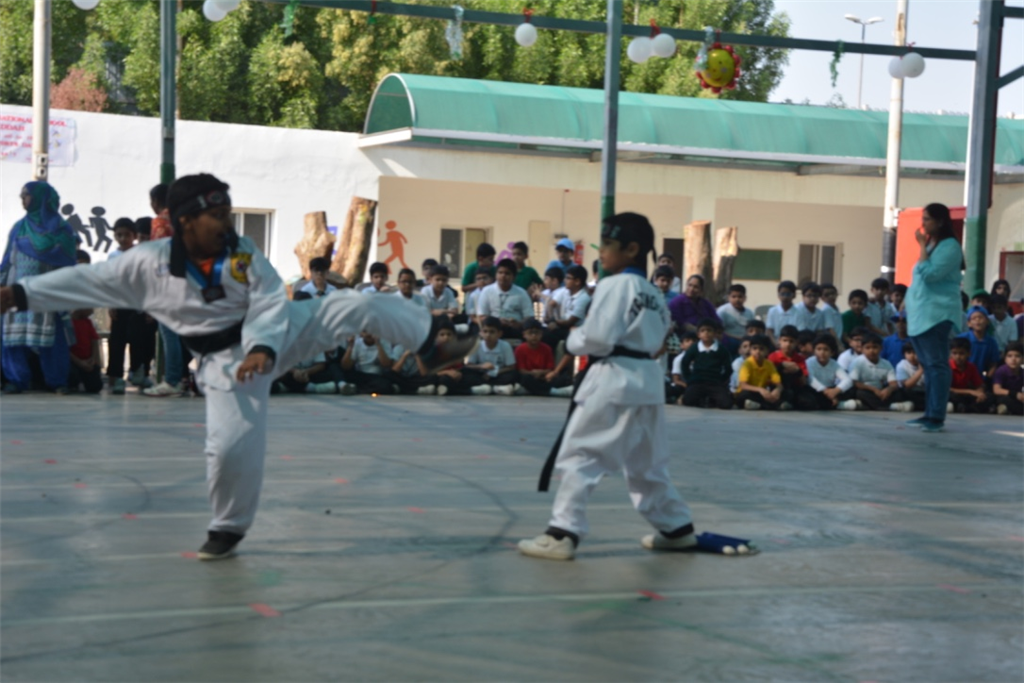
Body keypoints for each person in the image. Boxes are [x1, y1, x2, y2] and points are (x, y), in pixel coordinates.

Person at [0, 173, 475, 560]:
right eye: (216, 215)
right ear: (185, 221)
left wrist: (263, 346)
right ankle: (228, 526)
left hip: (276, 332)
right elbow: (85, 280)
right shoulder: (147, 264)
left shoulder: (241, 251)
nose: (226, 222)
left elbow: (268, 297)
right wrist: (19, 294)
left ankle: (431, 343)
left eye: (227, 212)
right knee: (229, 447)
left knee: (353, 305)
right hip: (226, 361)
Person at [518, 212, 695, 561]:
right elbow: (660, 336)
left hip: (614, 377)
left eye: (608, 244)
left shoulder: (615, 285)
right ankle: (676, 528)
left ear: (632, 249)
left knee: (582, 453)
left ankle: (562, 532)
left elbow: (597, 337)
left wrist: (573, 340)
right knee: (646, 464)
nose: (601, 252)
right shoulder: (654, 293)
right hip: (647, 381)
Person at [0, 181, 77, 394]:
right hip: (15, 292)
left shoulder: (62, 230)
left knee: (54, 337)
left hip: (48, 292)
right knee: (12, 336)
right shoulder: (18, 228)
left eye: (26, 195)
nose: (22, 199)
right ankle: (16, 380)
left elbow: (69, 264)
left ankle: (58, 381)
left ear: (41, 198)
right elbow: (7, 260)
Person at [907, 205, 969, 430]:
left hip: (936, 314)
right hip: (922, 313)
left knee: (937, 364)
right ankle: (929, 413)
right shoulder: (933, 244)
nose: (923, 223)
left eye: (928, 219)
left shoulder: (949, 246)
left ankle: (936, 416)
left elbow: (930, 275)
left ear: (941, 221)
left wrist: (921, 246)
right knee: (928, 365)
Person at [146, 183, 189, 398]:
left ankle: (172, 380)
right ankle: (183, 377)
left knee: (168, 333)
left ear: (156, 201)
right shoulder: (185, 220)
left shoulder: (160, 222)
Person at [677, 318, 734, 410]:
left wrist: (721, 380)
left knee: (726, 404)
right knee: (688, 401)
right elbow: (685, 363)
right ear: (698, 334)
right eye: (703, 330)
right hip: (697, 382)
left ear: (715, 333)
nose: (706, 333)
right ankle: (702, 399)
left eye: (709, 330)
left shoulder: (721, 350)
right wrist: (689, 379)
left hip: (714, 383)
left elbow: (728, 368)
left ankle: (711, 399)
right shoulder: (694, 348)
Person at [850, 333, 912, 412]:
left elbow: (893, 383)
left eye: (875, 347)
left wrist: (888, 390)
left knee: (900, 392)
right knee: (859, 393)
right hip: (866, 390)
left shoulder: (886, 364)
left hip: (881, 391)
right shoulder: (857, 362)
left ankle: (869, 405)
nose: (871, 351)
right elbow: (855, 383)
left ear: (881, 348)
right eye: (867, 348)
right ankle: (890, 407)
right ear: (862, 349)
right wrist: (874, 390)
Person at [475, 258, 533, 338]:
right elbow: (481, 316)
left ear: (514, 277)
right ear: (496, 275)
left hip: (515, 330)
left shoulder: (522, 293)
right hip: (492, 330)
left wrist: (519, 323)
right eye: (500, 272)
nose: (503, 276)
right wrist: (497, 321)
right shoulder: (487, 291)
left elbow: (529, 317)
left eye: (507, 273)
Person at [515, 318, 573, 397]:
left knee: (563, 378)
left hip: (543, 377)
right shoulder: (520, 349)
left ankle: (534, 390)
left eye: (537, 333)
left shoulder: (547, 348)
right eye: (530, 333)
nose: (534, 336)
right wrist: (533, 373)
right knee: (524, 378)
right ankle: (552, 391)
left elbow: (550, 369)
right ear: (524, 334)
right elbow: (521, 370)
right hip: (529, 376)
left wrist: (541, 373)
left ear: (541, 334)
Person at [464, 316, 518, 395]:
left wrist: (494, 372)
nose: (488, 335)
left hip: (499, 374)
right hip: (481, 374)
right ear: (481, 332)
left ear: (499, 334)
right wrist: (481, 366)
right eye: (485, 331)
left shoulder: (505, 346)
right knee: (466, 373)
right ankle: (494, 388)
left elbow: (511, 367)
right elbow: (469, 365)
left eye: (492, 332)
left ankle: (490, 388)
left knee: (513, 374)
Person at [804, 333, 856, 410]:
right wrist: (825, 391)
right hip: (817, 390)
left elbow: (847, 380)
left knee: (851, 390)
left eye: (826, 349)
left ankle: (830, 403)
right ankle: (838, 405)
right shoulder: (809, 362)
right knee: (806, 399)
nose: (822, 352)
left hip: (831, 390)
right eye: (819, 349)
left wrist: (836, 391)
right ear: (814, 351)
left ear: (832, 352)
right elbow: (810, 379)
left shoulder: (834, 364)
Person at [544, 264, 590, 347]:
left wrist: (554, 322)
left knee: (547, 336)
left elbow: (569, 322)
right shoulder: (565, 290)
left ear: (577, 281)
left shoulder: (584, 298)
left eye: (568, 278)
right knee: (542, 332)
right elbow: (551, 304)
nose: (565, 280)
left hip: (575, 330)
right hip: (562, 326)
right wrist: (551, 319)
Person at [767, 325, 811, 411]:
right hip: (776, 387)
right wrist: (781, 366)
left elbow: (803, 382)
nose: (788, 344)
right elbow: (768, 378)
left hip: (795, 388)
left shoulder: (800, 359)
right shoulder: (773, 357)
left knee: (808, 401)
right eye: (785, 340)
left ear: (796, 343)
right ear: (779, 340)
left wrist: (798, 371)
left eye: (791, 341)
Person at [735, 335, 782, 410]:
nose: (758, 351)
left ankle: (758, 405)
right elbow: (743, 385)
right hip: (749, 392)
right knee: (744, 394)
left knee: (784, 393)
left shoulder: (769, 364)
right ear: (750, 350)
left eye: (761, 349)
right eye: (754, 348)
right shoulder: (747, 363)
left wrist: (778, 390)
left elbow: (778, 383)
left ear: (767, 351)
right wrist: (760, 389)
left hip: (760, 394)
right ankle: (769, 405)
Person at [948, 337, 992, 414]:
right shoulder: (947, 367)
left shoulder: (971, 367)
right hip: (953, 394)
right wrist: (970, 392)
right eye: (954, 353)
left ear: (969, 354)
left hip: (966, 396)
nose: (958, 357)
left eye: (961, 353)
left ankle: (965, 408)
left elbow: (979, 385)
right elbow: (946, 389)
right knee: (949, 396)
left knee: (988, 396)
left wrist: (980, 393)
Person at [957, 305, 1000, 378]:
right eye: (974, 318)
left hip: (982, 377)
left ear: (987, 321)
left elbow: (993, 364)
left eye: (980, 317)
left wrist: (987, 378)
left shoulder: (992, 342)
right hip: (962, 377)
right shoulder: (961, 338)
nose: (977, 320)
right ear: (969, 323)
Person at [67, 308, 103, 394]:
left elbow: (94, 340)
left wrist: (93, 358)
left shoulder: (88, 322)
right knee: (72, 376)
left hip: (87, 360)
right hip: (73, 361)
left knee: (96, 386)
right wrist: (79, 362)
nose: (92, 312)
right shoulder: (68, 323)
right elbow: (64, 348)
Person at [993, 341, 1024, 415]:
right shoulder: (1001, 371)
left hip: (1017, 398)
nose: (1013, 359)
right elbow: (996, 390)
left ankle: (1008, 409)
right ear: (1005, 359)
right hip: (1004, 397)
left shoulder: (1022, 372)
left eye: (1017, 356)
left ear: (1023, 359)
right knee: (1003, 400)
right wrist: (1015, 394)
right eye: (1009, 356)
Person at [765, 280, 799, 346]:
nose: (785, 297)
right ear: (778, 295)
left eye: (788, 294)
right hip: (775, 343)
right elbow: (769, 330)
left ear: (794, 295)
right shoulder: (772, 311)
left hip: (792, 344)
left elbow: (800, 332)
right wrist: (775, 343)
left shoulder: (799, 312)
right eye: (782, 294)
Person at [896, 342, 926, 412]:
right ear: (904, 354)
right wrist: (921, 370)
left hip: (922, 391)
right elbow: (907, 385)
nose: (912, 356)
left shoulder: (926, 364)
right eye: (909, 353)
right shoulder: (901, 365)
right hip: (908, 392)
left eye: (915, 353)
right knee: (901, 393)